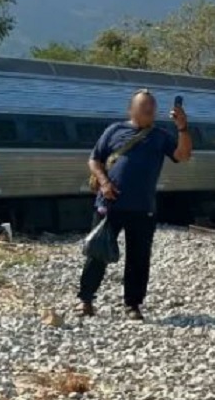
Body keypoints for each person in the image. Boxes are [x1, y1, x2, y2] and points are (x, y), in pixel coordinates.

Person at [78, 89, 192, 321]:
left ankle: (133, 305)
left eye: (152, 106)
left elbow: (182, 155)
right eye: (144, 105)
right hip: (110, 204)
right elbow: (94, 159)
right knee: (97, 252)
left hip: (143, 207)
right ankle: (85, 300)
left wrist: (182, 127)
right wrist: (104, 182)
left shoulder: (160, 136)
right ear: (131, 109)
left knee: (139, 258)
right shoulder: (114, 130)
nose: (150, 109)